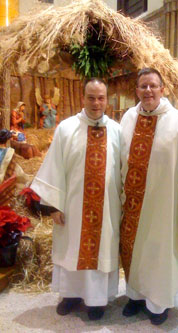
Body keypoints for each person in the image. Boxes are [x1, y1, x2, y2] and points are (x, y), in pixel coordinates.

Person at [120, 68, 178, 325]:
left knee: (160, 252)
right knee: (133, 250)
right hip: (132, 205)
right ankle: (135, 296)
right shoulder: (128, 118)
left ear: (163, 89)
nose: (148, 91)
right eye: (143, 86)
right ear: (136, 91)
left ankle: (158, 304)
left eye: (153, 86)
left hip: (165, 204)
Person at [31, 78, 121, 320]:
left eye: (101, 97)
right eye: (91, 97)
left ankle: (97, 301)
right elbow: (54, 167)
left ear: (107, 100)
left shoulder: (117, 130)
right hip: (73, 207)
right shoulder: (67, 128)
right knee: (72, 249)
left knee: (100, 252)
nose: (96, 102)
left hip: (106, 209)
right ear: (83, 98)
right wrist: (52, 205)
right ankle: (70, 295)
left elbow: (124, 170)